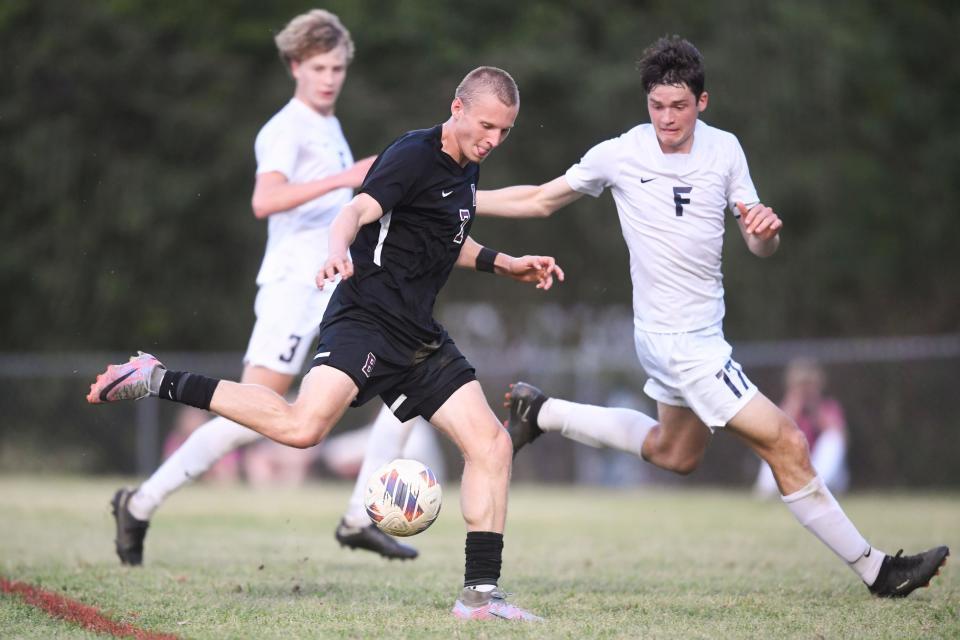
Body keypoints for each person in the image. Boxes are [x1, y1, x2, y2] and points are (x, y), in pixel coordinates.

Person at [477, 36, 948, 598]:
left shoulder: (725, 151)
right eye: (656, 106)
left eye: (679, 106)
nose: (666, 118)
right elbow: (539, 200)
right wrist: (458, 198)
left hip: (697, 334)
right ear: (645, 102)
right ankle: (878, 571)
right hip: (680, 344)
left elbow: (758, 243)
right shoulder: (622, 153)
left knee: (675, 454)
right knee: (789, 444)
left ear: (703, 102)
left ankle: (543, 411)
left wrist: (762, 235)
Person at [89, 66, 560, 621]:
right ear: (457, 108)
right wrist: (338, 250)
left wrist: (504, 263)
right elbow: (355, 210)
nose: (493, 140)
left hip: (415, 333)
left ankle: (480, 596)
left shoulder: (468, 165)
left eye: (505, 131)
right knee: (301, 427)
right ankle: (156, 377)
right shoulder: (413, 155)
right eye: (487, 126)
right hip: (364, 317)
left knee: (492, 447)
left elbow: (444, 233)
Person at [107, 9, 427, 568]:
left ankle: (358, 517)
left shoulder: (328, 126)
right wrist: (346, 176)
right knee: (246, 418)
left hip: (336, 287)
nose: (330, 78)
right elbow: (265, 200)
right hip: (289, 289)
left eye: (339, 68)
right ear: (296, 65)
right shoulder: (285, 127)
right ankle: (140, 502)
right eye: (320, 67)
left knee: (408, 387)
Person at [755, 358, 848, 496]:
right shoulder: (785, 409)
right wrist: (794, 406)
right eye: (801, 385)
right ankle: (766, 490)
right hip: (793, 468)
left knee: (833, 438)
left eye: (810, 385)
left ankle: (818, 489)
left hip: (822, 469)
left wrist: (815, 409)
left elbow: (840, 438)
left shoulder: (828, 407)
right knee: (772, 440)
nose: (806, 390)